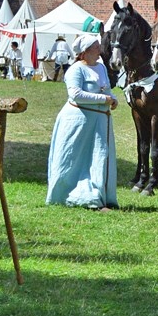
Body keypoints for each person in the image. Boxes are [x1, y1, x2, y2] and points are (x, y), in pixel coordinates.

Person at [46, 34, 119, 210]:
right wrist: (103, 99)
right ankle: (74, 195)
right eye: (95, 46)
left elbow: (107, 89)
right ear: (84, 52)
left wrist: (113, 99)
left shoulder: (101, 68)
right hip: (77, 122)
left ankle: (100, 196)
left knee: (98, 157)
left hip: (100, 122)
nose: (99, 49)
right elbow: (75, 95)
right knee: (75, 160)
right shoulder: (75, 70)